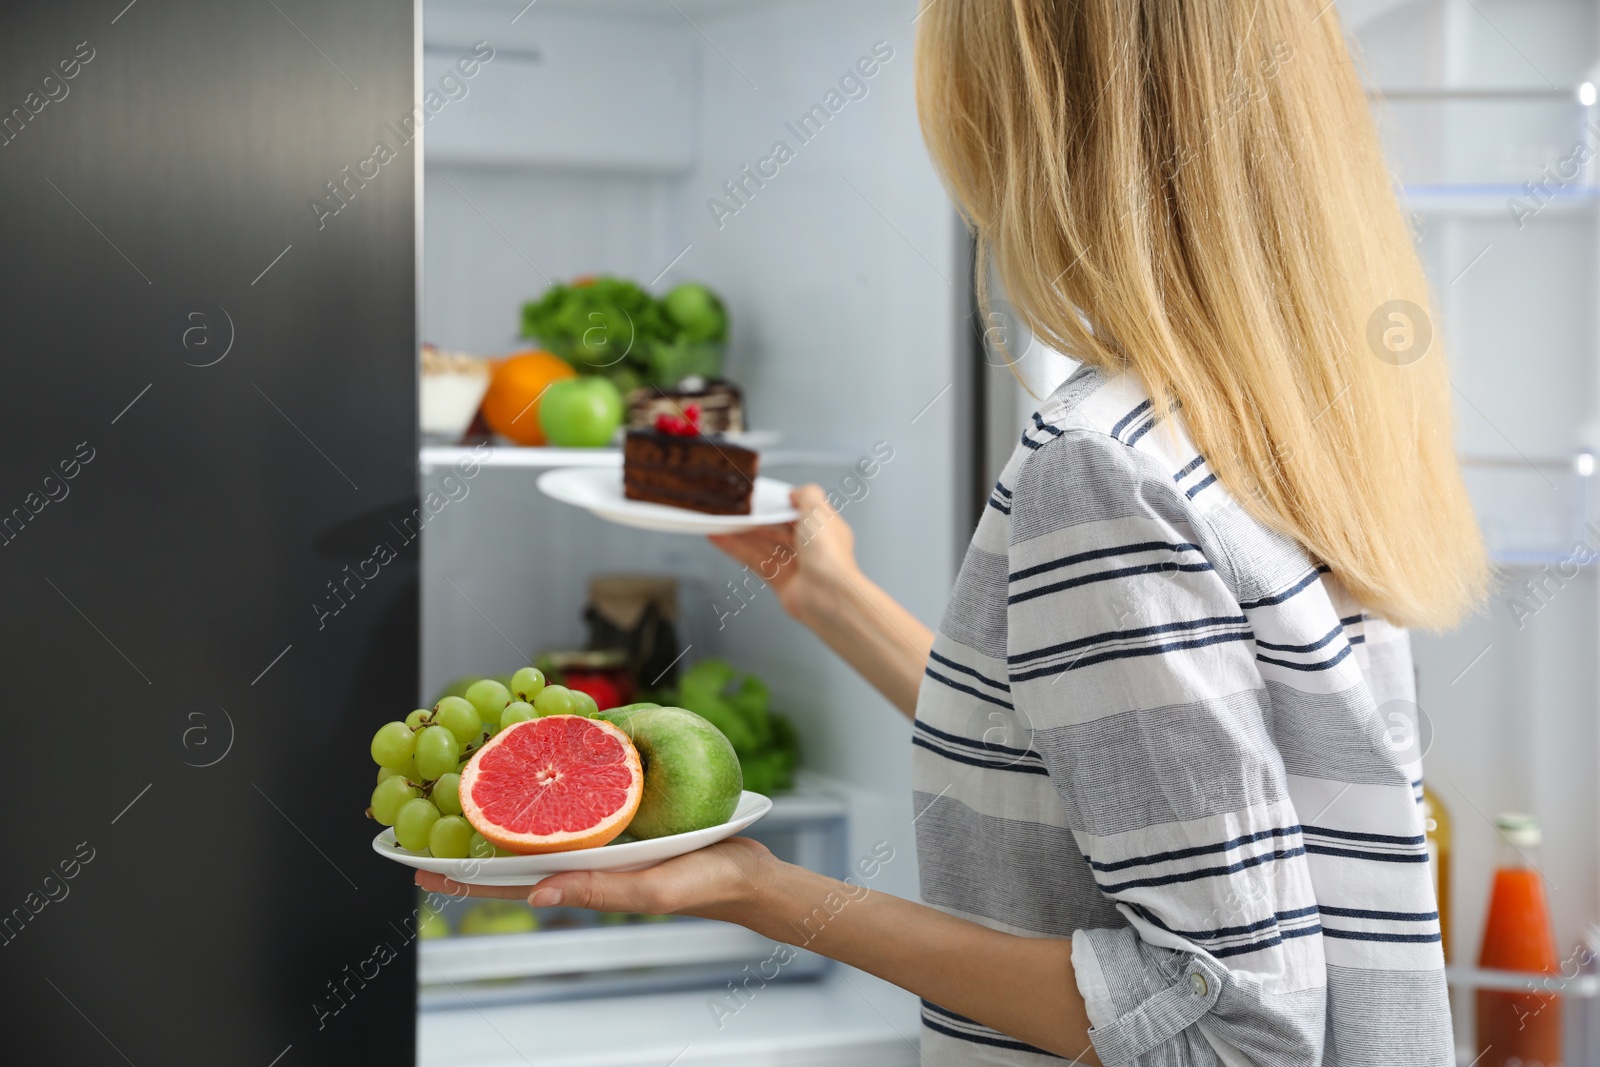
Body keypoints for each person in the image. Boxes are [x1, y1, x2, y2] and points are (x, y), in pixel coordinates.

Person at [419, 2, 1486, 1062]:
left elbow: (1226, 1030)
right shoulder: (1277, 421)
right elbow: (1105, 769)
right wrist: (826, 593)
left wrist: (770, 892)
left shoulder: (1099, 462)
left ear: (1035, 125)